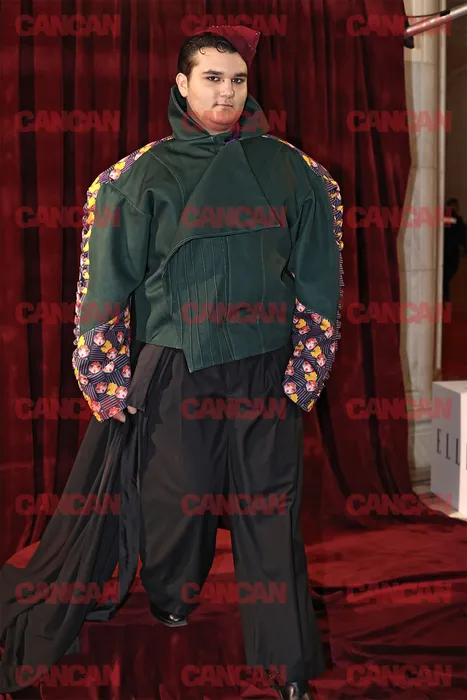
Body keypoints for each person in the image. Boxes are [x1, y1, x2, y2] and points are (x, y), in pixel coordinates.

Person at [0, 25, 343, 700]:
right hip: (177, 362)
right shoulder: (137, 176)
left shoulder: (295, 172)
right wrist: (105, 373)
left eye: (237, 80)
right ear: (182, 85)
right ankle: (171, 594)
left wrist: (306, 368)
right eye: (212, 78)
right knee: (175, 498)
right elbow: (106, 284)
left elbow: (318, 279)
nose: (226, 93)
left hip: (267, 365)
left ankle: (288, 662)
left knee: (271, 506)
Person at [443, 197, 466, 303]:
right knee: (446, 279)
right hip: (451, 253)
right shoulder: (455, 219)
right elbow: (461, 235)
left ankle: (445, 300)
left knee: (445, 280)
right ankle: (446, 300)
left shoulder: (445, 218)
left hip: (445, 252)